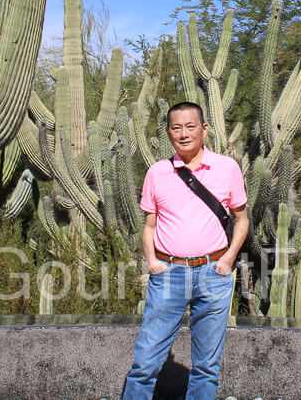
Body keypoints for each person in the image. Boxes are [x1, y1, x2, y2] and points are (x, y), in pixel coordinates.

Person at [122, 101, 249, 400]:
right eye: (176, 127)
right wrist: (152, 262)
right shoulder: (157, 172)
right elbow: (150, 225)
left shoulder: (227, 168)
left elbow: (242, 220)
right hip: (169, 273)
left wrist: (228, 259)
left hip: (214, 272)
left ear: (204, 129)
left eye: (190, 126)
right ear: (168, 132)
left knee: (206, 366)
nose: (183, 133)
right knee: (145, 362)